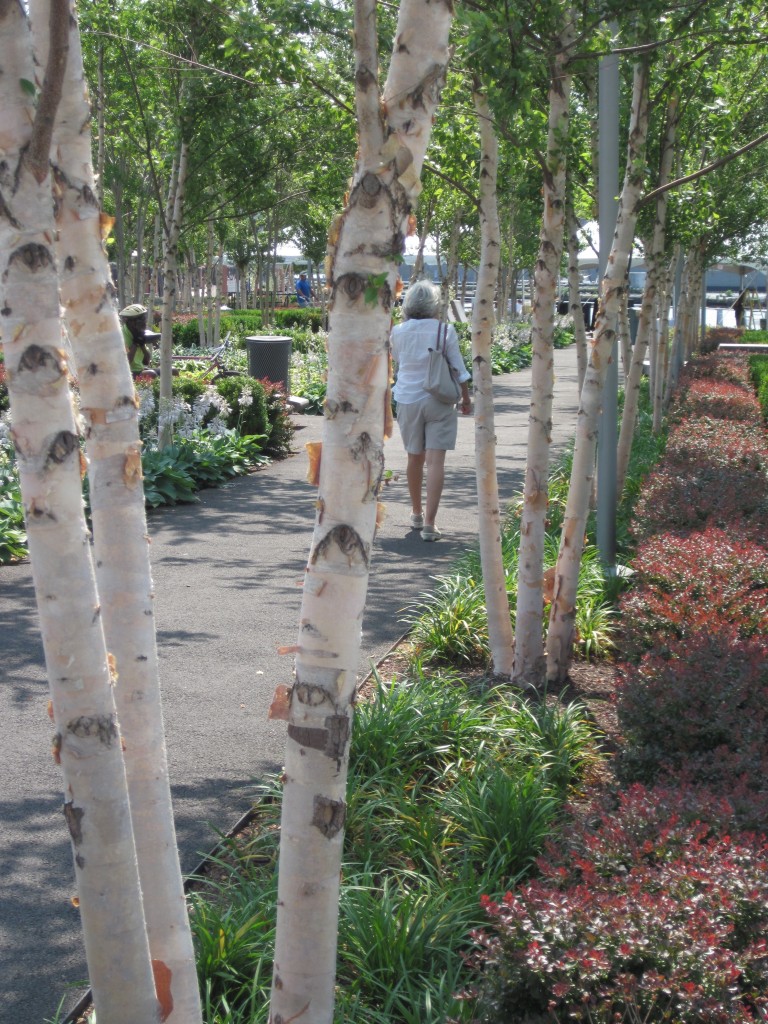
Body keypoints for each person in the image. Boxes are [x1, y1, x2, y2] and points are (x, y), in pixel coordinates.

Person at [390, 280, 471, 542]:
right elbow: (457, 368)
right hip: (439, 399)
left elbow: (397, 361)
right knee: (437, 462)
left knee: (415, 458)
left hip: (408, 400)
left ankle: (415, 512)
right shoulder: (444, 331)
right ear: (435, 304)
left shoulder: (397, 331)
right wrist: (467, 398)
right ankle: (429, 524)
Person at [119, 303, 158, 378]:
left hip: (139, 370)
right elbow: (126, 363)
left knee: (172, 371)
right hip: (126, 373)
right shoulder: (121, 337)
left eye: (144, 318)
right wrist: (135, 343)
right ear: (130, 322)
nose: (144, 322)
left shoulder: (138, 333)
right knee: (151, 374)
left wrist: (142, 344)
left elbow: (146, 361)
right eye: (141, 319)